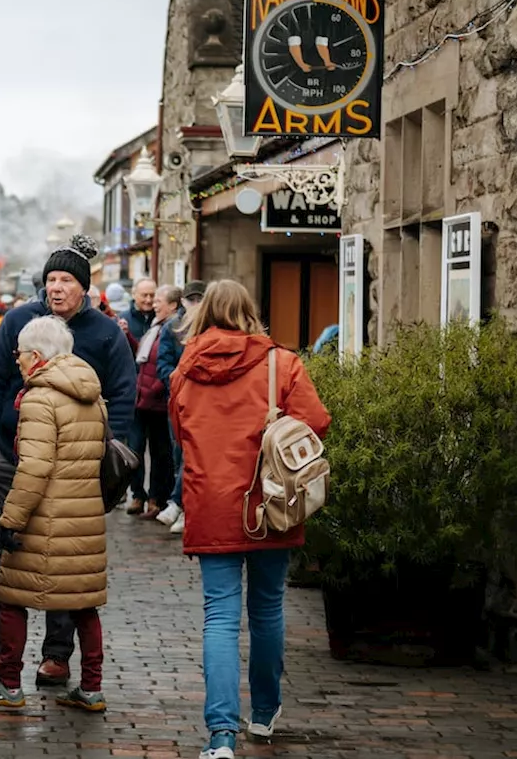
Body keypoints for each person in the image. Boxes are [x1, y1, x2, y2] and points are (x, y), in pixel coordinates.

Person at [169, 280, 330, 759]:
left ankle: (220, 736)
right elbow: (317, 420)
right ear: (250, 312)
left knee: (219, 617)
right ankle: (263, 714)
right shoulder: (282, 362)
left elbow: (179, 433)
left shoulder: (186, 367)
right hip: (271, 502)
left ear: (203, 314)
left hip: (212, 503)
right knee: (267, 609)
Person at [0, 234, 135, 688]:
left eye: (66, 279)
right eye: (51, 279)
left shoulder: (105, 333)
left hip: (74, 471)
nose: (56, 287)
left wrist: (111, 450)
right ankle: (1, 651)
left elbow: (123, 393)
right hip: (11, 459)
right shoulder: (19, 322)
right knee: (4, 557)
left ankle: (57, 655)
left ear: (85, 287)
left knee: (65, 560)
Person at [0, 316, 109, 712]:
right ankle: (91, 688)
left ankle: (8, 685)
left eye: (21, 354)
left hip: (44, 517)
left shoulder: (40, 398)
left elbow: (35, 467)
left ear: (37, 355)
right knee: (82, 602)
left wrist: (10, 519)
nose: (18, 362)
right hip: (83, 517)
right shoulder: (91, 394)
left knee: (9, 596)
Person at [155, 280, 205, 533]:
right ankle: (182, 507)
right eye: (191, 299)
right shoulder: (173, 327)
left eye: (199, 299)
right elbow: (162, 363)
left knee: (191, 455)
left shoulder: (210, 326)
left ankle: (180, 505)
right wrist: (178, 381)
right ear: (183, 301)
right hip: (178, 400)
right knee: (180, 455)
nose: (195, 304)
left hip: (204, 402)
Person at [127, 284, 181, 519]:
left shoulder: (172, 328)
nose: (153, 303)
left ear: (173, 305)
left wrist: (153, 390)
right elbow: (144, 356)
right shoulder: (157, 326)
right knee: (136, 448)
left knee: (162, 453)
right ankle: (138, 494)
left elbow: (166, 367)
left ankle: (157, 498)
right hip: (142, 399)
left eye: (157, 299)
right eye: (149, 297)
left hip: (156, 401)